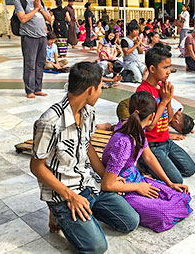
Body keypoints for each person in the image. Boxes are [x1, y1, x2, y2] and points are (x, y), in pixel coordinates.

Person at [30, 62, 140, 252]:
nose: (100, 92)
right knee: (97, 247)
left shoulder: (89, 112)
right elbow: (36, 167)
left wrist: (105, 174)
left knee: (130, 221)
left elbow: (87, 146)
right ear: (90, 89)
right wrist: (69, 196)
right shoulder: (50, 121)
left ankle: (84, 212)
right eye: (99, 88)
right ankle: (60, 213)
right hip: (64, 193)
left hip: (89, 184)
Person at [101, 91, 192, 232]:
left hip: (135, 178)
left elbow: (149, 157)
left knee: (179, 194)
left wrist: (169, 183)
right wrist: (138, 187)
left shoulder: (138, 130)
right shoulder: (124, 143)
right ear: (152, 116)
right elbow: (107, 184)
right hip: (123, 187)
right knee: (164, 214)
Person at [136, 47, 195, 184]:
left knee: (190, 169)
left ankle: (162, 164)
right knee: (176, 180)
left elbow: (169, 119)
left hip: (166, 141)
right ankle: (146, 163)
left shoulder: (161, 88)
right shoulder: (143, 92)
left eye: (169, 67)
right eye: (165, 67)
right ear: (152, 69)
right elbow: (150, 127)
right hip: (152, 145)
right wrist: (163, 101)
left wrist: (168, 98)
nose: (168, 71)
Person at [14, 0, 52, 98]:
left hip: (42, 37)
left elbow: (49, 19)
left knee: (40, 63)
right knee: (30, 64)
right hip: (29, 37)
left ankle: (38, 88)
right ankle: (29, 90)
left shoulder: (40, 2)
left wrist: (40, 7)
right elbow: (23, 18)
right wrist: (35, 9)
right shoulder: (19, 1)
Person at [116, 96, 195, 138]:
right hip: (126, 108)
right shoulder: (166, 112)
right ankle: (111, 127)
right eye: (175, 128)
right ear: (176, 122)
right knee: (132, 131)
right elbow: (149, 130)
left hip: (137, 109)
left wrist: (188, 126)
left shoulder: (178, 106)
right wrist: (166, 135)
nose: (172, 128)